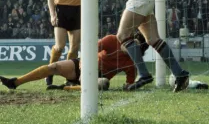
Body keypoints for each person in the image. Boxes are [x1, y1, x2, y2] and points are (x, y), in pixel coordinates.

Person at [0, 34, 148, 91]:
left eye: (135, 48)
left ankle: (66, 88)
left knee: (103, 84)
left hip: (97, 76)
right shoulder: (111, 40)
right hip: (83, 64)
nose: (131, 48)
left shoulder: (131, 63)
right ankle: (15, 82)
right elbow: (89, 50)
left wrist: (129, 86)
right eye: (131, 43)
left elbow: (130, 83)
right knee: (54, 66)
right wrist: (83, 66)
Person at [45, 0, 81, 86]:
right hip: (62, 10)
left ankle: (70, 78)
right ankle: (49, 72)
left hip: (78, 10)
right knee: (59, 46)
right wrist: (52, 14)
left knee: (74, 48)